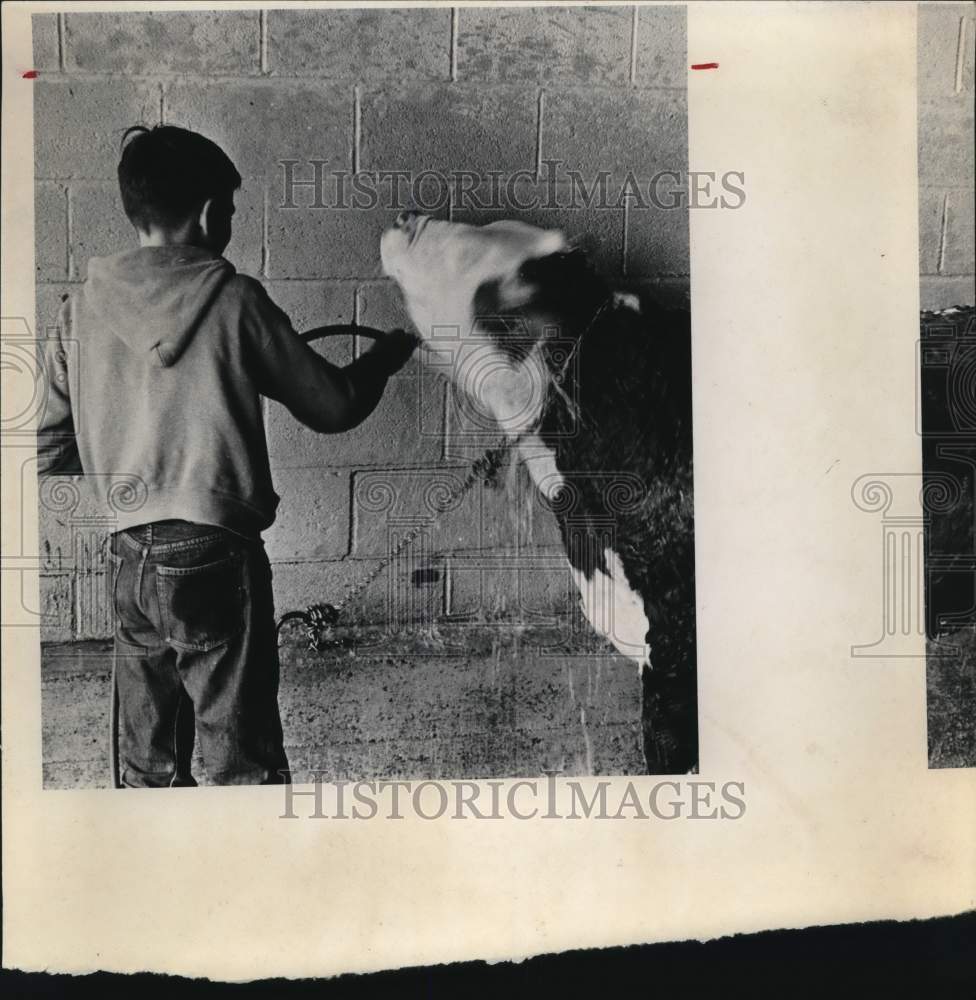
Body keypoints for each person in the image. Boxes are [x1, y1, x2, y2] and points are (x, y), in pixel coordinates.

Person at [36, 124, 416, 788]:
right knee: (239, 763)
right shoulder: (237, 302)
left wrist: (117, 450)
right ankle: (246, 884)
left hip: (127, 552)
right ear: (211, 212)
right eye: (231, 210)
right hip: (215, 551)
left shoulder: (78, 311)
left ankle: (154, 883)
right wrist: (385, 358)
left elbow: (41, 444)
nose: (231, 223)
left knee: (146, 761)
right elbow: (335, 407)